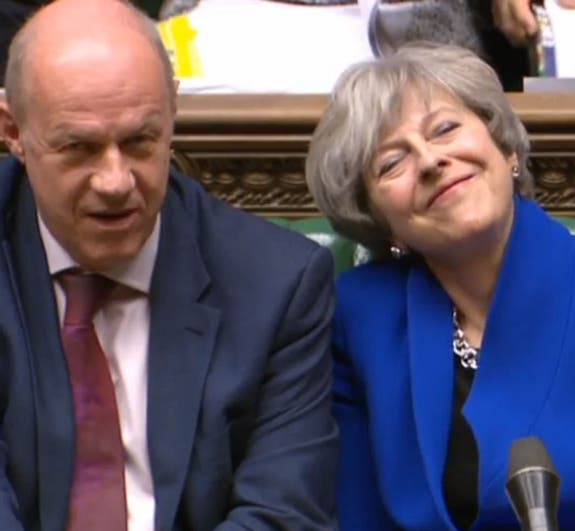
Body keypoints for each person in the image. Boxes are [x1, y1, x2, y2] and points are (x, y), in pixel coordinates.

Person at [0, 0, 338, 530]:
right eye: (79, 148)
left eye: (139, 141)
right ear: (14, 132)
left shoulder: (276, 283)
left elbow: (283, 514)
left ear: (172, 111)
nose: (115, 181)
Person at [305, 41, 575, 530]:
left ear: (505, 149)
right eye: (392, 163)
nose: (430, 160)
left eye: (445, 129)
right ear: (382, 222)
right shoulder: (360, 317)